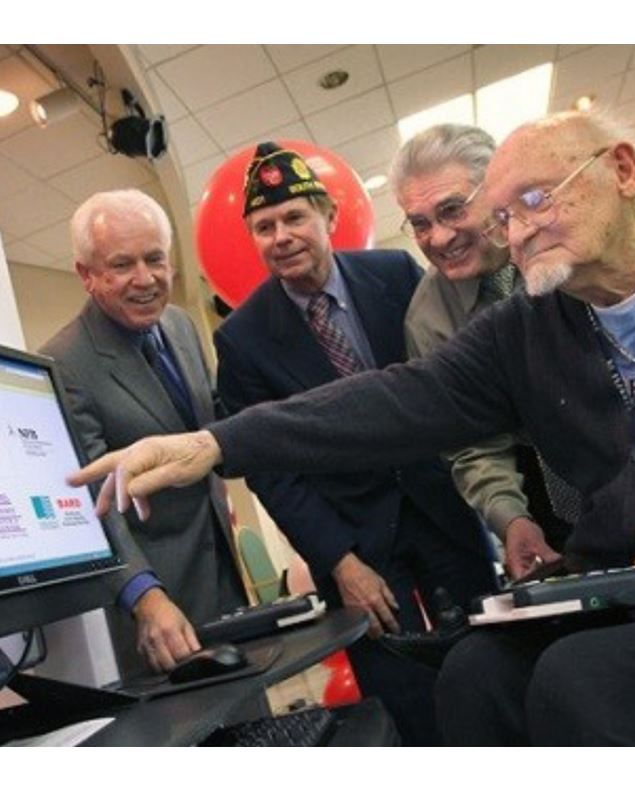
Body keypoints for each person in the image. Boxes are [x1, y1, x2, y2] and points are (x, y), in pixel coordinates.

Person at [69, 110, 635, 745]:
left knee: (583, 680)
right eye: (505, 218)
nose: (519, 233)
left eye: (535, 200)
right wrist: (216, 443)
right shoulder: (527, 326)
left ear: (623, 171)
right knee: (475, 672)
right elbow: (397, 399)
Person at [212, 141, 494, 744]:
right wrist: (340, 562)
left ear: (329, 217)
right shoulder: (243, 339)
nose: (281, 237)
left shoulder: (395, 276)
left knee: (493, 671)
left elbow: (449, 386)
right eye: (264, 226)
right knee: (406, 706)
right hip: (354, 548)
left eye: (294, 217)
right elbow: (272, 473)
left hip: (443, 512)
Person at [40, 189, 245, 673]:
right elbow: (90, 501)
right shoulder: (62, 363)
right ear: (87, 275)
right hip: (159, 605)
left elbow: (209, 425)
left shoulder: (180, 325)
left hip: (223, 572)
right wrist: (145, 595)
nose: (145, 278)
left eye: (155, 259)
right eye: (122, 264)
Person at [391, 123, 573, 578]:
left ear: (495, 191)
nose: (438, 238)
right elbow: (469, 440)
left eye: (452, 210)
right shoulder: (427, 317)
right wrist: (510, 518)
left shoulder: (562, 242)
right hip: (540, 492)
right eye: (420, 224)